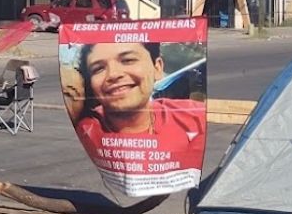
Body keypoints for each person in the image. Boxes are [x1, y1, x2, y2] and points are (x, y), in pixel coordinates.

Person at [73, 42, 205, 148]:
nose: (113, 74)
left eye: (128, 60)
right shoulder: (84, 129)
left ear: (157, 68)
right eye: (98, 68)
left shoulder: (194, 116)